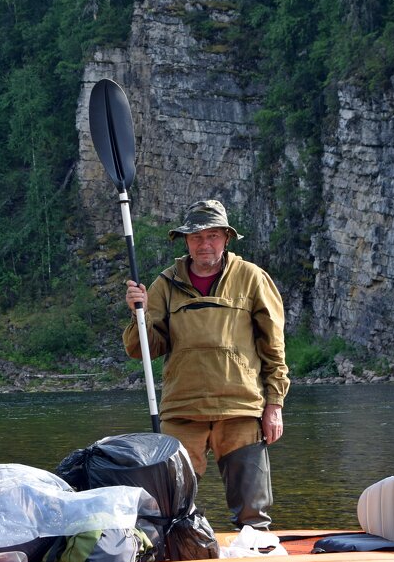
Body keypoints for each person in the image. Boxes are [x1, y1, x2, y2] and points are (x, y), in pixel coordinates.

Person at [123, 199, 290, 530]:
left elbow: (273, 346)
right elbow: (142, 349)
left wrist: (275, 404)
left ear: (226, 238)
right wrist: (137, 313)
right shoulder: (164, 285)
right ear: (186, 241)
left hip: (241, 411)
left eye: (213, 236)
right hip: (183, 414)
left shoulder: (252, 278)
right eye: (197, 237)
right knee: (168, 508)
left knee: (252, 515)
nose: (205, 244)